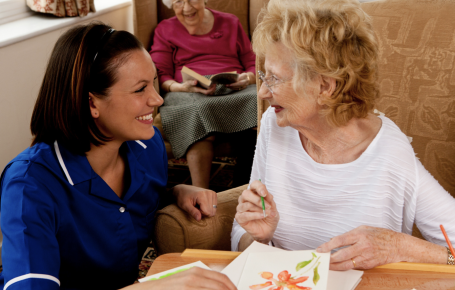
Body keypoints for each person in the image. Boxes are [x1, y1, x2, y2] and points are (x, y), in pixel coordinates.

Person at [0, 23, 236, 290]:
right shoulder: (28, 185)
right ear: (91, 103)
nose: (157, 99)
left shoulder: (148, 147)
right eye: (140, 89)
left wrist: (175, 192)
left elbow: (123, 209)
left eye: (154, 84)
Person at [231, 0, 455, 270]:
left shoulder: (388, 152)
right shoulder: (275, 124)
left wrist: (399, 246)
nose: (263, 93)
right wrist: (257, 237)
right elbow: (242, 232)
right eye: (263, 77)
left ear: (325, 86)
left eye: (274, 79)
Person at [150, 0, 257, 189]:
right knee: (197, 109)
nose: (187, 7)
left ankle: (246, 185)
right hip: (187, 91)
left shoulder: (230, 22)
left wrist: (247, 78)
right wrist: (179, 87)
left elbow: (251, 60)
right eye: (179, 1)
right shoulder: (164, 29)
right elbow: (161, 73)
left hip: (234, 89)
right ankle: (201, 193)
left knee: (259, 99)